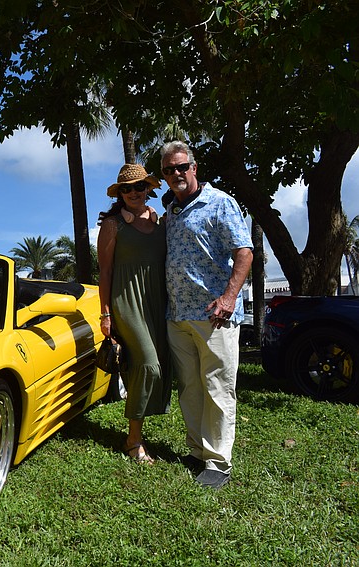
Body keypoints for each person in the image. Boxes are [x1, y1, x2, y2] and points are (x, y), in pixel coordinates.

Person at [161, 141, 253, 489]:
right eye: (169, 170)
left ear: (194, 168)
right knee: (190, 387)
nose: (176, 174)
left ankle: (218, 462)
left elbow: (244, 252)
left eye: (182, 167)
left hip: (214, 314)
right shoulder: (172, 211)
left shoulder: (219, 203)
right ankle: (198, 450)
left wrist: (229, 297)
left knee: (217, 386)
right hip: (179, 314)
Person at [97, 163, 172, 464]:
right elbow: (105, 270)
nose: (133, 193)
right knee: (149, 364)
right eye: (126, 188)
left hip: (156, 300)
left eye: (139, 187)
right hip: (125, 301)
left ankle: (137, 431)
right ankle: (133, 440)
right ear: (120, 193)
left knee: (159, 364)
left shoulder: (159, 221)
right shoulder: (114, 224)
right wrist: (105, 314)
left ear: (149, 189)